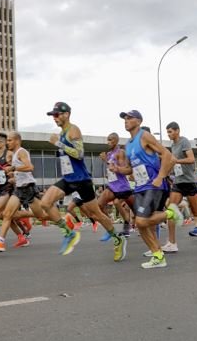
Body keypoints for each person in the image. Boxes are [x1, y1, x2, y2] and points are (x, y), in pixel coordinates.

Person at [39, 102, 127, 260]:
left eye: (57, 114)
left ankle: (117, 238)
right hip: (68, 178)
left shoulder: (73, 130)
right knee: (45, 203)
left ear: (66, 115)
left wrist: (58, 144)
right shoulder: (61, 133)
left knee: (97, 214)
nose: (54, 118)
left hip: (81, 179)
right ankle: (69, 233)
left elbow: (79, 154)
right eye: (53, 115)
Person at [117, 110, 177, 269]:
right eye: (124, 118)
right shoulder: (128, 145)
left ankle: (171, 213)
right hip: (140, 187)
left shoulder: (145, 136)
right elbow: (131, 168)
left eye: (129, 118)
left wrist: (161, 176)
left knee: (141, 221)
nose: (126, 120)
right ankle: (158, 256)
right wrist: (119, 169)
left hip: (153, 185)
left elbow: (166, 154)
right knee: (141, 224)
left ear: (139, 121)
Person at [0, 132, 49, 251]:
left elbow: (30, 167)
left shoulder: (21, 152)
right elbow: (19, 171)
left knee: (42, 216)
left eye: (9, 140)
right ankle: (0, 242)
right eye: (7, 140)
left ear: (17, 141)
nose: (7, 142)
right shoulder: (15, 154)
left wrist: (13, 168)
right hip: (19, 188)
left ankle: (63, 220)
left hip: (28, 188)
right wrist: (12, 175)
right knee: (6, 215)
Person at [163, 122, 197, 250]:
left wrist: (176, 160)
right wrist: (164, 174)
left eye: (170, 131)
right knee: (171, 209)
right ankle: (172, 243)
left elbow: (191, 159)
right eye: (167, 132)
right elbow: (173, 163)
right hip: (178, 181)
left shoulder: (184, 142)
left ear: (177, 131)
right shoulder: (172, 145)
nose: (168, 134)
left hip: (189, 181)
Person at [97, 132, 134, 240]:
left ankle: (128, 223)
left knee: (134, 210)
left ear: (116, 141)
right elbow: (111, 169)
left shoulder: (120, 152)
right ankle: (110, 227)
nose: (108, 142)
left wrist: (106, 161)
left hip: (122, 187)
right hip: (112, 186)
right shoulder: (108, 154)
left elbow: (122, 169)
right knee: (99, 204)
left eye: (111, 140)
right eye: (107, 140)